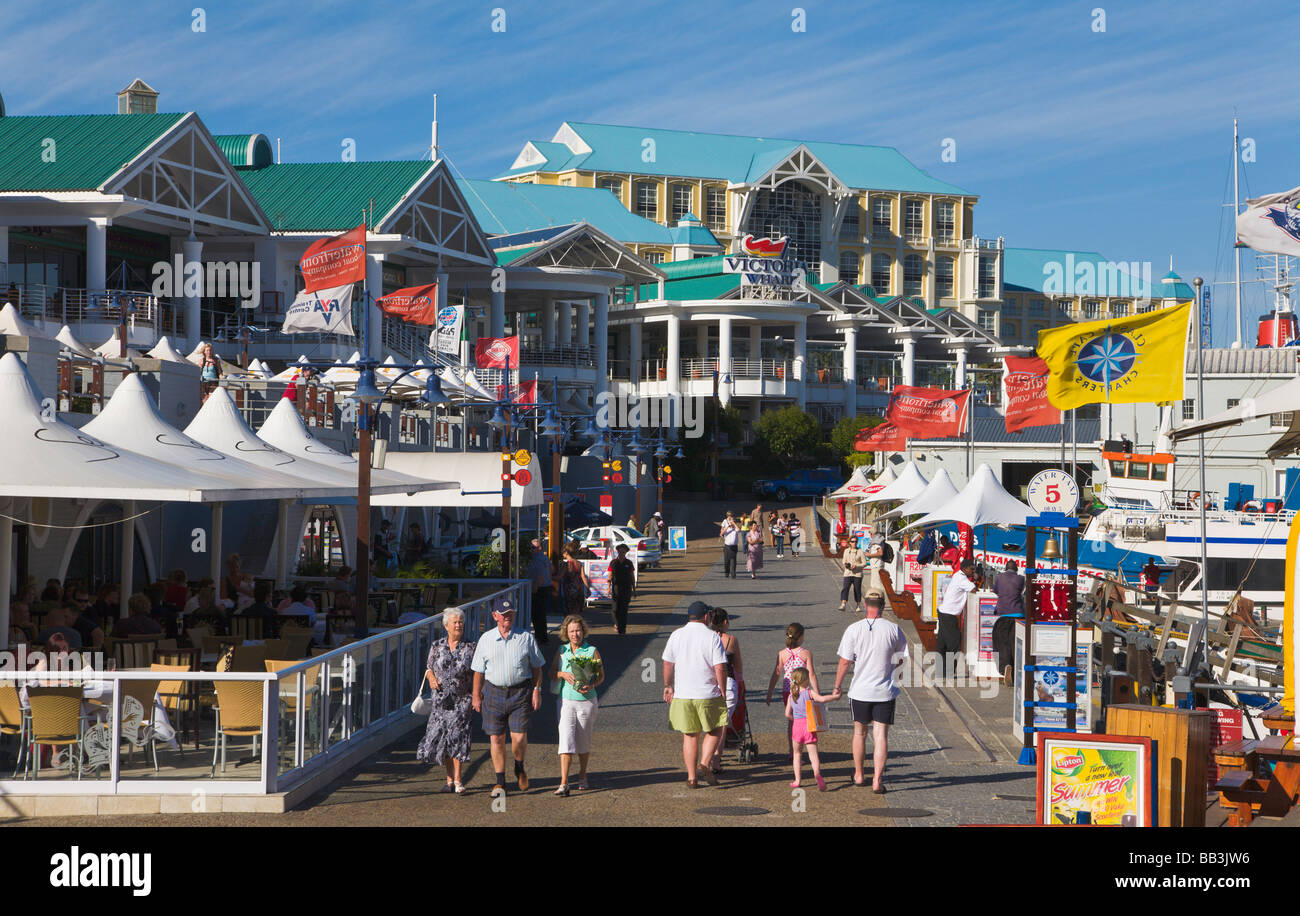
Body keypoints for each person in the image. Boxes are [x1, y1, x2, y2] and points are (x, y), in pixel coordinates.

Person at [834, 590, 908, 792]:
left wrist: (837, 685)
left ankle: (858, 774)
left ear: (866, 605)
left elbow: (844, 661)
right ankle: (877, 780)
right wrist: (896, 678)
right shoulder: (894, 629)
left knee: (859, 733)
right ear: (883, 606)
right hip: (884, 691)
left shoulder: (853, 629)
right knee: (880, 735)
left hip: (860, 691)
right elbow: (902, 658)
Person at [471, 597, 545, 795]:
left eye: (510, 614)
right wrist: (476, 696)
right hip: (493, 692)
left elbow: (537, 667)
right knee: (496, 738)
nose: (507, 618)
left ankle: (519, 767)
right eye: (503, 615)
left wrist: (537, 690)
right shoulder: (485, 639)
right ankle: (500, 781)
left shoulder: (525, 637)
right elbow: (478, 671)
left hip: (520, 692)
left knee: (519, 737)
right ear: (495, 616)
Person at [662, 600, 728, 788]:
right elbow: (720, 667)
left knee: (690, 735)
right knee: (716, 728)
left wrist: (668, 685)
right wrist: (722, 688)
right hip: (707, 692)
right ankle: (705, 763)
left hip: (683, 693)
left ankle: (691, 777)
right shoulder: (712, 637)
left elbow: (667, 663)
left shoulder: (676, 635)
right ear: (706, 616)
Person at [417, 607, 476, 794]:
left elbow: (477, 673)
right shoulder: (437, 645)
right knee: (444, 739)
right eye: (455, 622)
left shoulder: (470, 647)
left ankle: (458, 781)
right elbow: (428, 667)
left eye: (461, 622)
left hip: (461, 700)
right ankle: (449, 779)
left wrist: (477, 694)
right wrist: (431, 678)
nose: (458, 625)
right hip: (441, 701)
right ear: (446, 626)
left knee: (458, 737)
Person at [550, 614, 604, 796]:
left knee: (583, 740)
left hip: (587, 701)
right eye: (572, 631)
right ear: (566, 632)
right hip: (565, 701)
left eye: (578, 630)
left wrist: (592, 684)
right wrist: (562, 674)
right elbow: (551, 673)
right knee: (565, 740)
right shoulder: (562, 651)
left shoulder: (592, 651)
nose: (575, 634)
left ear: (583, 631)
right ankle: (564, 782)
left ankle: (582, 775)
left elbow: (601, 675)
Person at [765, 622, 819, 755]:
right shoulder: (805, 653)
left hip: (787, 690)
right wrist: (817, 693)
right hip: (802, 691)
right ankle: (807, 745)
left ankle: (792, 750)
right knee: (805, 719)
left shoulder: (782, 653)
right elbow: (811, 673)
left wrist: (770, 693)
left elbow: (776, 673)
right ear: (800, 637)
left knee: (792, 720)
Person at [704, 606, 742, 774]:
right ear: (725, 622)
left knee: (710, 724)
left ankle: (707, 757)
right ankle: (716, 761)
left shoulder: (706, 639)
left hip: (708, 683)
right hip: (728, 682)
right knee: (721, 724)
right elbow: (738, 667)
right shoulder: (731, 640)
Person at [786, 667, 836, 791]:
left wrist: (795, 720)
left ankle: (797, 780)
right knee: (813, 755)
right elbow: (822, 699)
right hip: (809, 726)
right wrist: (835, 697)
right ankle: (817, 774)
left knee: (797, 754)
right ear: (806, 680)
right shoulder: (809, 693)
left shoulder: (791, 696)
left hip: (797, 727)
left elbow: (787, 714)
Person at [937, 559, 978, 678]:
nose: (973, 571)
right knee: (954, 642)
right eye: (972, 569)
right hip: (949, 614)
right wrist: (975, 579)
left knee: (943, 642)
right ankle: (948, 671)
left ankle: (942, 671)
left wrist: (973, 578)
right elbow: (973, 589)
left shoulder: (957, 575)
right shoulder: (961, 579)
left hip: (944, 612)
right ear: (965, 569)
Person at [992, 560, 1025, 685]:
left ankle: (1005, 667)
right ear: (1016, 569)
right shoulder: (1021, 579)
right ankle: (1016, 670)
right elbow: (1021, 592)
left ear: (1005, 568)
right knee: (1016, 645)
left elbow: (996, 591)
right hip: (1019, 617)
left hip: (1003, 616)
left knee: (1002, 644)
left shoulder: (1000, 577)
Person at [526, 540, 554, 644]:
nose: (531, 550)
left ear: (540, 548)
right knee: (540, 614)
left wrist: (535, 588)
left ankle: (541, 637)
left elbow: (541, 576)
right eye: (531, 547)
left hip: (539, 589)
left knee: (537, 615)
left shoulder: (539, 559)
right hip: (543, 588)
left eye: (534, 547)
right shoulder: (543, 558)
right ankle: (542, 637)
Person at [609, 543, 636, 635]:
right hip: (616, 588)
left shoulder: (629, 563)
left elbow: (632, 577)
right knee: (615, 609)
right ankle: (617, 624)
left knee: (624, 610)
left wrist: (634, 590)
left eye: (623, 552)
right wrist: (608, 588)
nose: (621, 553)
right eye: (620, 551)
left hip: (626, 588)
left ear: (626, 552)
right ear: (617, 551)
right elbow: (609, 575)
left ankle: (622, 630)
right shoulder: (613, 563)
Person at [559, 544, 590, 617]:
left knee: (569, 613)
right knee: (577, 613)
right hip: (579, 590)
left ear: (566, 552)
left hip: (569, 591)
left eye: (563, 552)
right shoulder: (579, 563)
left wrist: (549, 576)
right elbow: (583, 577)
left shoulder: (566, 565)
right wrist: (588, 589)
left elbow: (559, 577)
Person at [838, 536, 866, 612]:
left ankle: (858, 605)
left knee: (857, 589)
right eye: (852, 541)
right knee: (845, 588)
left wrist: (856, 566)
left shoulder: (860, 551)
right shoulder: (846, 551)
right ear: (849, 542)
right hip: (848, 573)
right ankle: (843, 604)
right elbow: (844, 561)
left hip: (857, 574)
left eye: (856, 541)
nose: (854, 543)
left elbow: (864, 563)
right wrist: (845, 564)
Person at [719, 511, 739, 579]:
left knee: (733, 561)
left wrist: (733, 523)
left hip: (734, 546)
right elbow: (721, 533)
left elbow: (738, 529)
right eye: (729, 516)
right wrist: (727, 526)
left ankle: (733, 574)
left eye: (731, 516)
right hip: (727, 546)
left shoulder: (735, 528)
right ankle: (727, 572)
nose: (730, 517)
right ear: (727, 516)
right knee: (726, 561)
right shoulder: (725, 521)